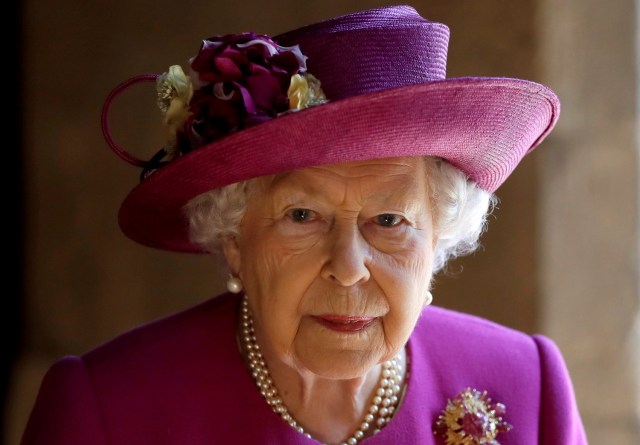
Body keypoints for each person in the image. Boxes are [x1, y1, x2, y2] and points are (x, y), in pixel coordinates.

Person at [21, 5, 588, 445]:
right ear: (234, 238)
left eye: (389, 220)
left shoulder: (526, 382)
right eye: (302, 216)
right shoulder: (110, 408)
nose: (348, 268)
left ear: (437, 237)